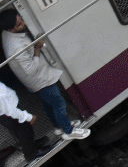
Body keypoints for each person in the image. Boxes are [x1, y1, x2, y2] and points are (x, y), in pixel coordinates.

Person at [1, 12, 89, 142]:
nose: (24, 24)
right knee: (58, 103)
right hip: (39, 79)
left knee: (48, 104)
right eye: (19, 24)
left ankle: (58, 127)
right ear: (10, 29)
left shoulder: (6, 34)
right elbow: (30, 70)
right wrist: (37, 48)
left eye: (22, 20)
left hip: (35, 81)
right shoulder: (16, 47)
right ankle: (68, 131)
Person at [0, 63, 54, 167]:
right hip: (9, 113)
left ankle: (30, 145)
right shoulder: (1, 93)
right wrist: (28, 117)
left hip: (3, 114)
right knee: (24, 130)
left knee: (16, 130)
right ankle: (31, 153)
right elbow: (11, 111)